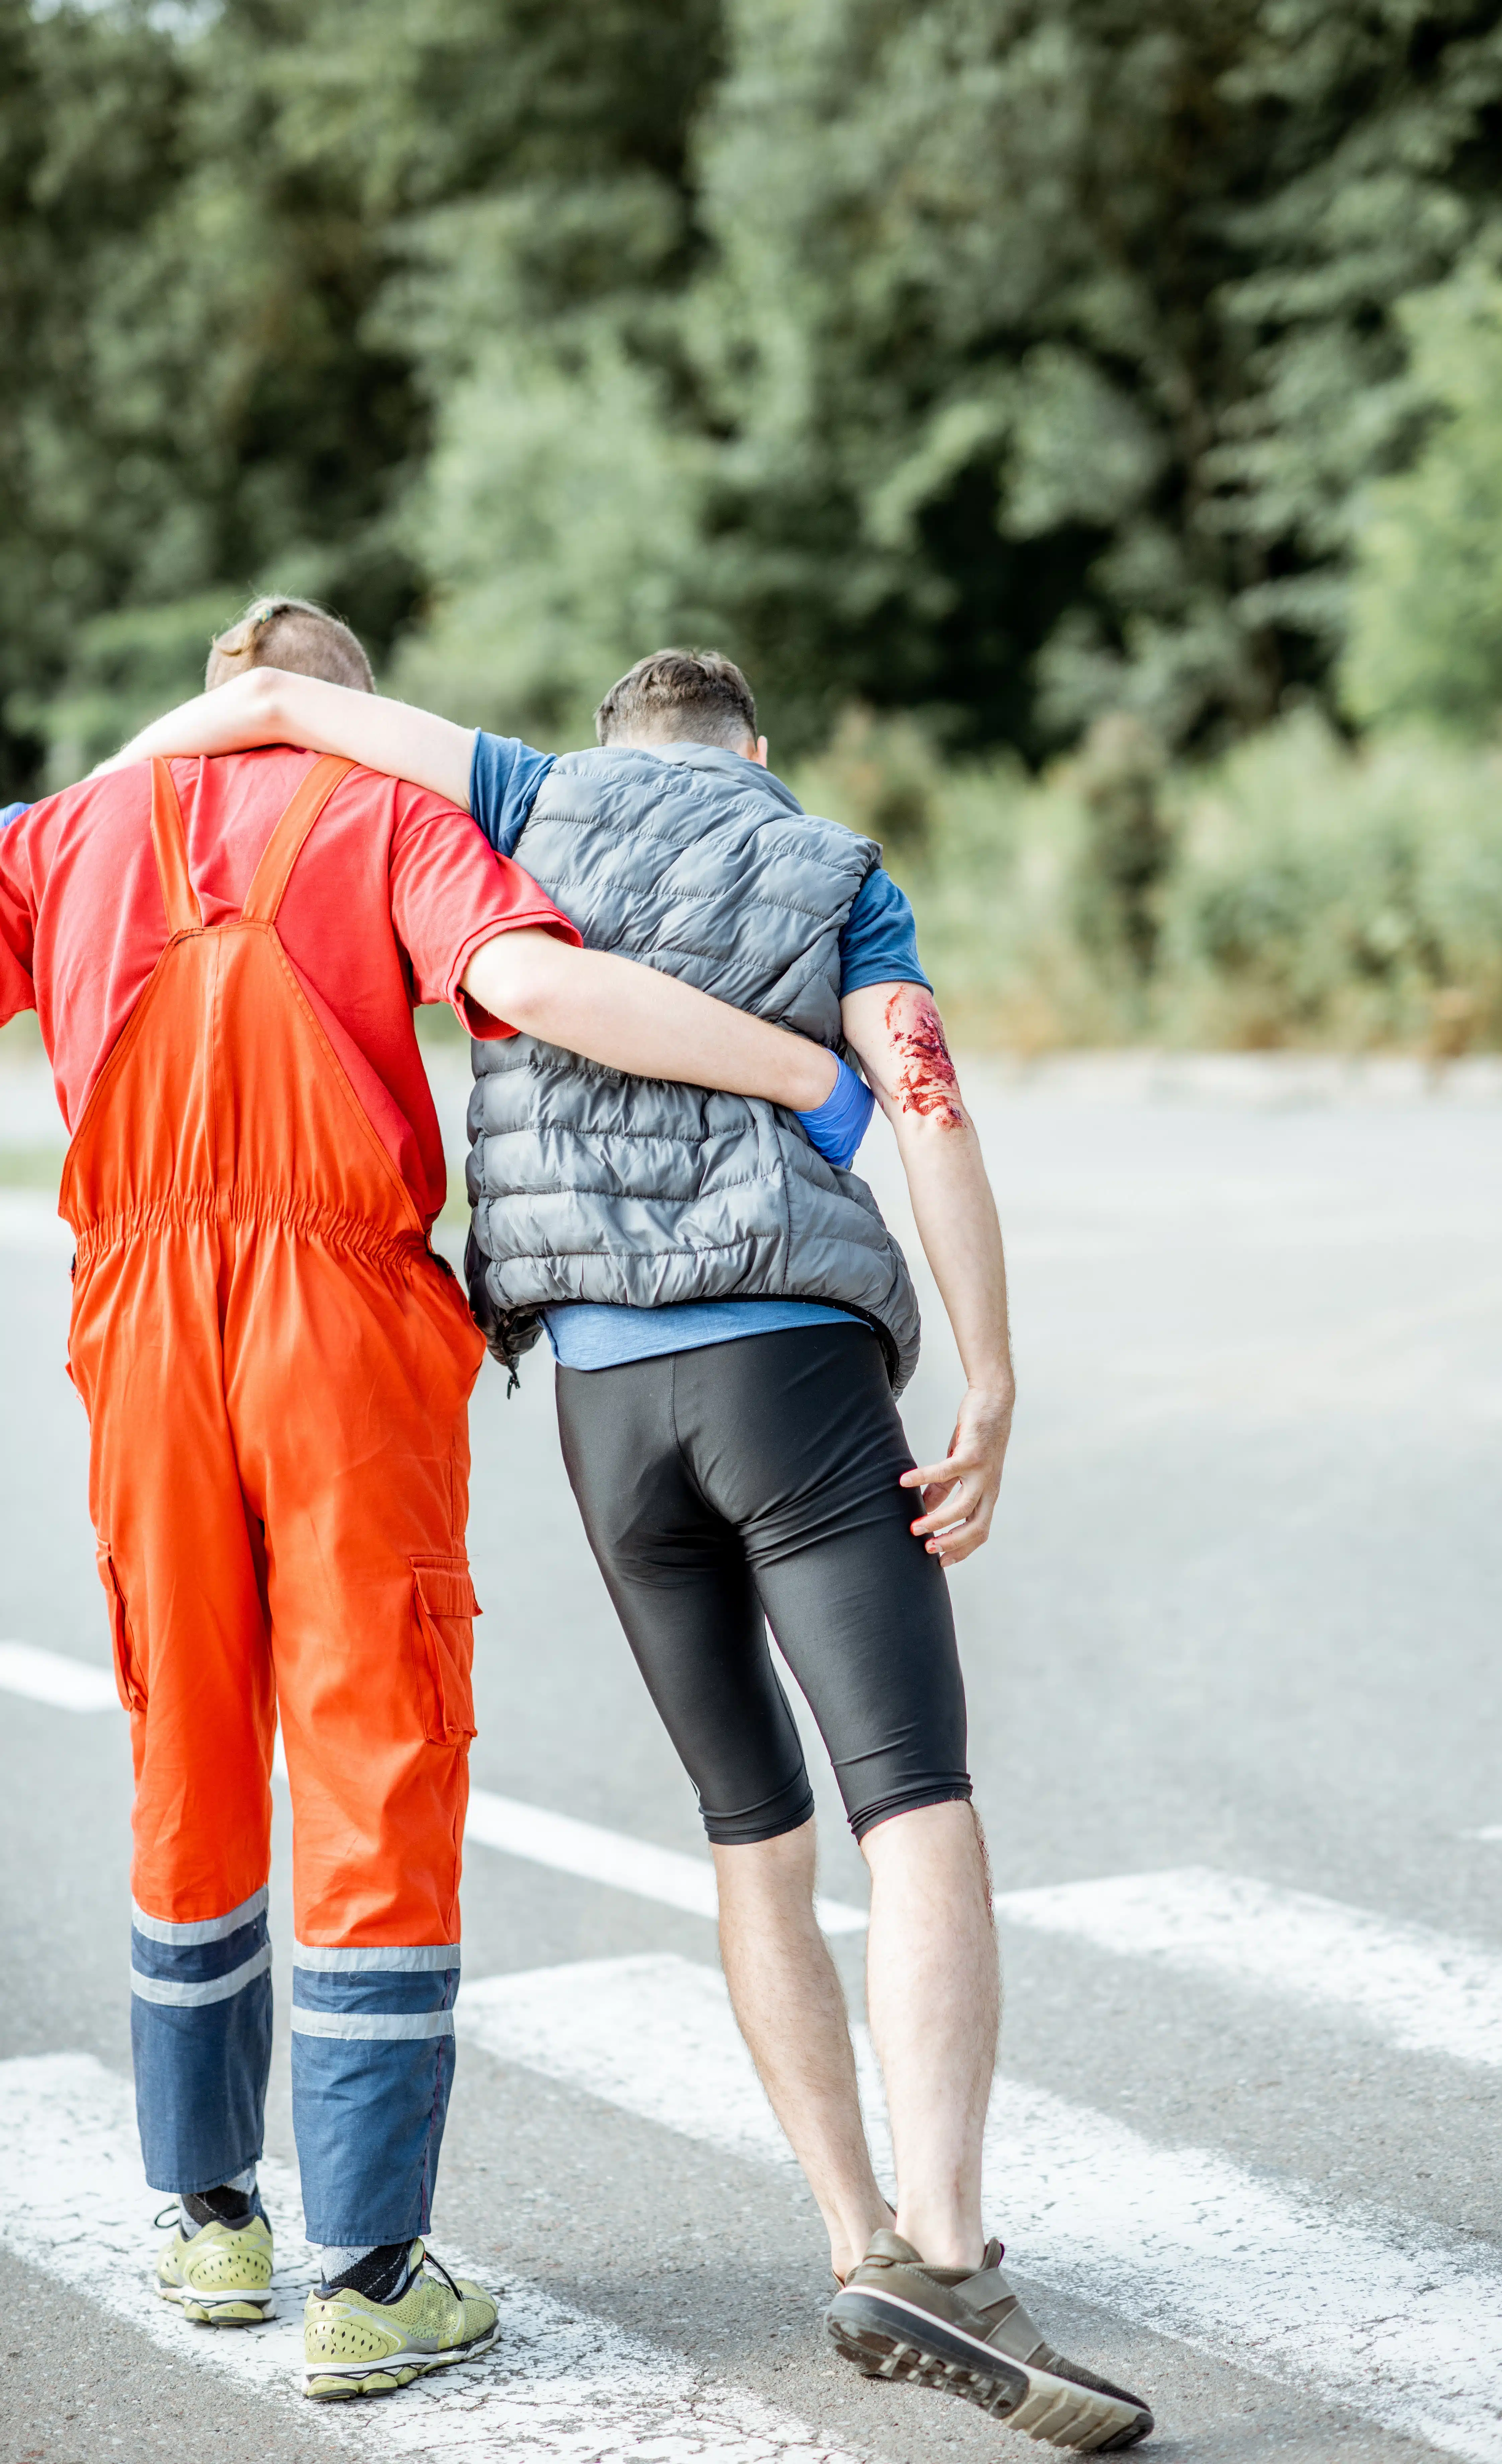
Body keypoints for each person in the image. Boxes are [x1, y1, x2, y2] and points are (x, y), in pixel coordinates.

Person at [119, 642, 1155, 2453]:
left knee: (752, 1833)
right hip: (793, 1375)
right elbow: (925, 1107)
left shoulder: (520, 795)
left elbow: (284, 708)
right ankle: (948, 2248)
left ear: (615, 745)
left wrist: (149, 758)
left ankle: (853, 2240)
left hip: (605, 1411)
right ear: (755, 749)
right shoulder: (835, 867)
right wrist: (989, 1374)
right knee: (912, 1800)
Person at [0, 601, 853, 2404]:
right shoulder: (389, 815)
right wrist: (803, 1072)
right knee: (376, 1738)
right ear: (347, 714)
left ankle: (211, 2214)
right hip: (340, 1325)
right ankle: (370, 2267)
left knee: (188, 1738)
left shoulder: (69, 831)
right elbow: (534, 989)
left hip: (134, 1318)